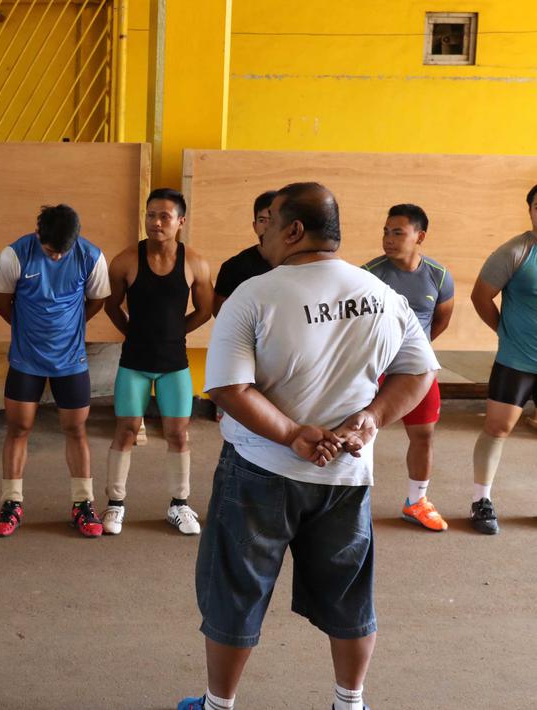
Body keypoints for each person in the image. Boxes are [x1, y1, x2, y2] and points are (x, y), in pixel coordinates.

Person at [178, 183, 438, 710]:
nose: (263, 232)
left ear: (294, 230)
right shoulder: (382, 294)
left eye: (270, 221)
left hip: (259, 471)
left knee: (236, 588)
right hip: (346, 475)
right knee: (348, 595)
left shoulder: (256, 293)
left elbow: (230, 388)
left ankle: (217, 706)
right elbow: (419, 372)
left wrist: (294, 434)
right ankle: (350, 702)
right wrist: (371, 418)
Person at [0, 204, 110, 538]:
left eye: (63, 251)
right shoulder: (14, 255)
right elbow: (1, 301)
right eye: (49, 250)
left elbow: (97, 300)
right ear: (38, 234)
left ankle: (83, 503)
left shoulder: (91, 257)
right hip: (26, 359)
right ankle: (11, 502)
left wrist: (73, 326)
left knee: (76, 429)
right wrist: (26, 329)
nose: (56, 257)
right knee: (18, 427)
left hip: (70, 360)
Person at [103, 188, 213, 536]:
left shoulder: (194, 262)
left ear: (180, 221)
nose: (156, 222)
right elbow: (111, 304)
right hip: (134, 361)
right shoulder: (125, 260)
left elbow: (206, 308)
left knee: (178, 434)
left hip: (174, 364)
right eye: (151, 215)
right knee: (126, 431)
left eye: (165, 216)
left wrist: (177, 332)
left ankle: (179, 505)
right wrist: (131, 332)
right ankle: (114, 505)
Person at [362, 204, 454, 531]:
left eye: (398, 232)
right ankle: (349, 500)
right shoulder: (368, 274)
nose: (388, 239)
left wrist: (417, 353)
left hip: (418, 370)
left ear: (420, 236)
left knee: (424, 434)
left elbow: (440, 320)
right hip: (374, 366)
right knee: (360, 432)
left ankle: (416, 501)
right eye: (386, 231)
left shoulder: (439, 276)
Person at [466, 183, 537, 535]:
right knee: (498, 428)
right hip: (517, 361)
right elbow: (481, 296)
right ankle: (482, 501)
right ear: (531, 211)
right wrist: (504, 332)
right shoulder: (516, 252)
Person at [212, 190, 277, 316]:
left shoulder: (298, 264)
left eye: (272, 220)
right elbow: (220, 314)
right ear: (254, 226)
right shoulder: (233, 267)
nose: (267, 227)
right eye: (262, 220)